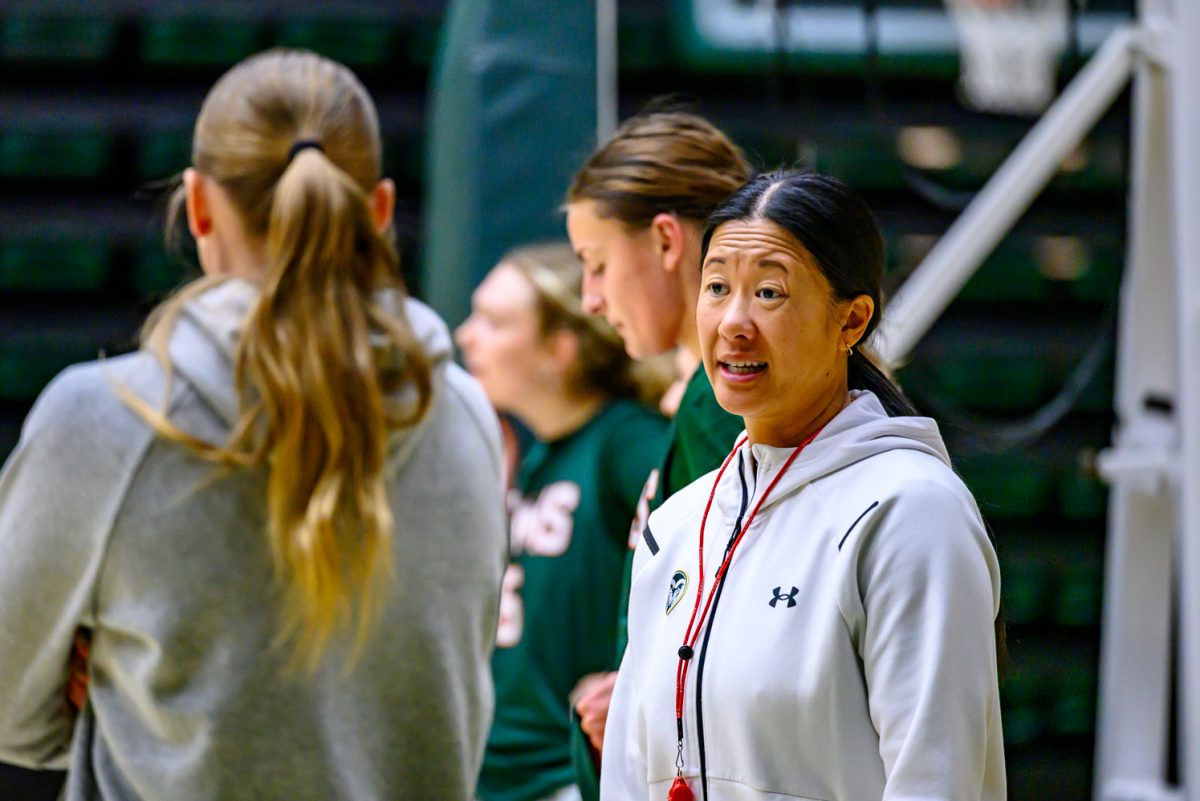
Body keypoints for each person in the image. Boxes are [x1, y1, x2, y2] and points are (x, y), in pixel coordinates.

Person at [0, 50, 507, 801]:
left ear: (199, 206)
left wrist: (121, 696)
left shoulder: (108, 420)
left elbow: (10, 709)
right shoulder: (466, 413)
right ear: (380, 210)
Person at [602, 171, 1006, 801]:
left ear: (851, 322)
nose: (734, 321)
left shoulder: (910, 512)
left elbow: (937, 779)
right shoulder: (677, 525)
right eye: (715, 287)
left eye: (769, 292)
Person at [562, 109, 752, 797]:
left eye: (597, 265)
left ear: (667, 240)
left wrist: (644, 697)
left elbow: (749, 626)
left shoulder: (717, 403)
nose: (589, 299)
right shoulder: (704, 398)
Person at [455, 243, 668, 801]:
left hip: (565, 776)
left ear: (559, 349)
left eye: (494, 321)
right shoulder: (535, 456)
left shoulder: (626, 441)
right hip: (494, 776)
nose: (465, 336)